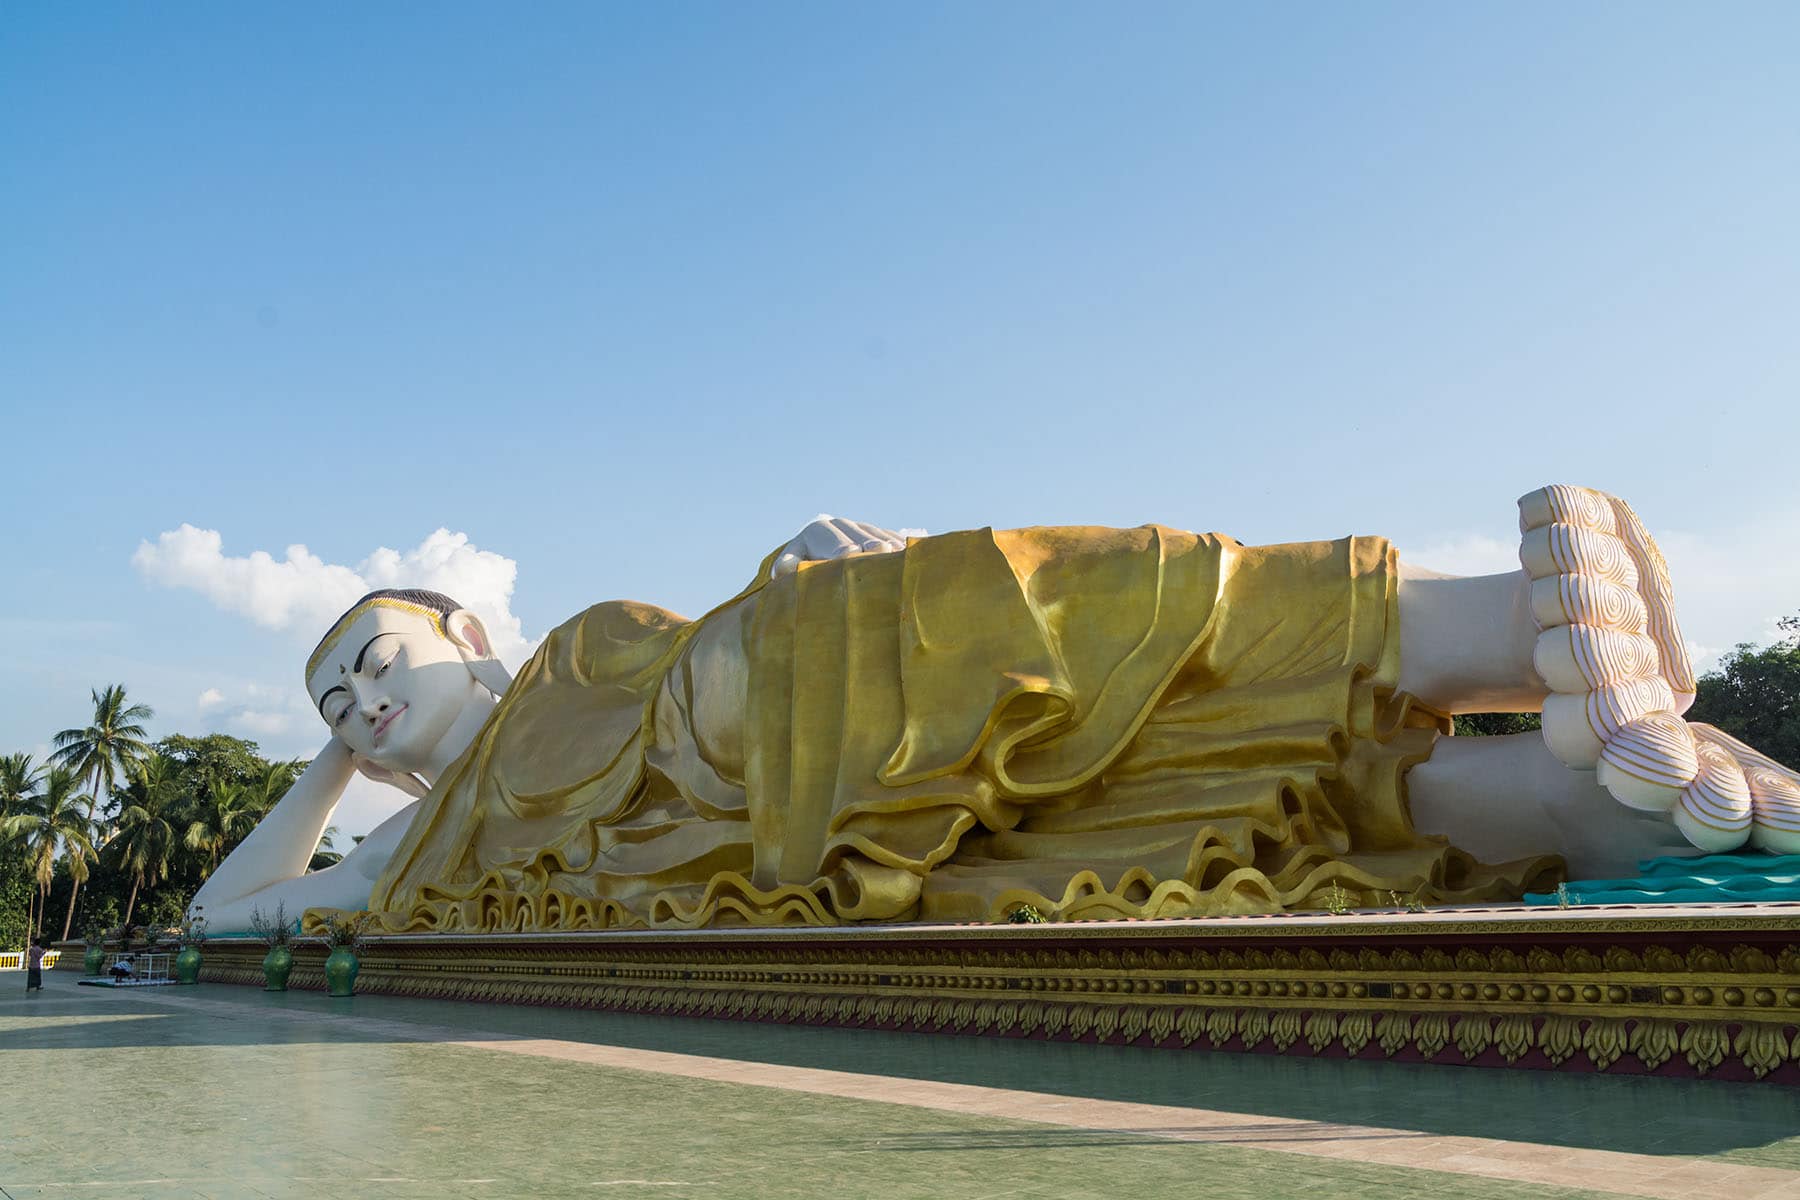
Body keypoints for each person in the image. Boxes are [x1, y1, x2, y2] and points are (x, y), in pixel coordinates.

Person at [189, 486, 1800, 933]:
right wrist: (337, 764)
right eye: (342, 704)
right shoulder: (428, 862)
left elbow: (722, 648)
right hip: (808, 853)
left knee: (995, 610)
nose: (363, 707)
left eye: (378, 669)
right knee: (1138, 823)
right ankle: (1578, 804)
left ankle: (1498, 626)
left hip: (752, 710)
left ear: (470, 635)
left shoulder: (585, 662)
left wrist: (786, 588)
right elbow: (222, 912)